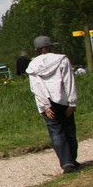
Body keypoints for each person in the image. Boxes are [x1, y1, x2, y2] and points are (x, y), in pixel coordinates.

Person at [25, 35, 79, 174]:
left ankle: (66, 162)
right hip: (64, 101)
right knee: (69, 131)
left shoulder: (33, 65)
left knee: (56, 133)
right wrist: (72, 102)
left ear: (36, 49)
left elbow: (36, 88)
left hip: (48, 103)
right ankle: (73, 160)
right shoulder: (62, 59)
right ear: (50, 47)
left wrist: (45, 106)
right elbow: (69, 81)